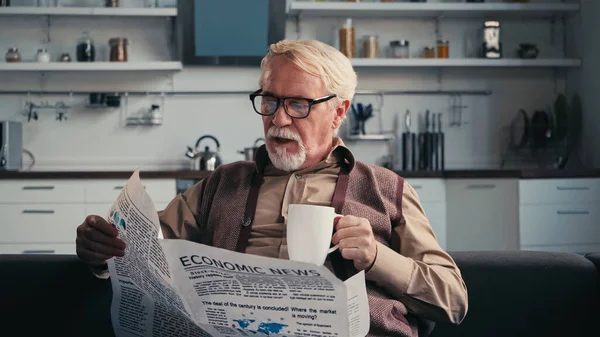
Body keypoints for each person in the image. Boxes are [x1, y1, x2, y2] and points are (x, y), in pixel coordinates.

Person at [76, 39, 468, 337]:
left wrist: (377, 258)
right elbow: (143, 251)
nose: (278, 119)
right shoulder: (222, 184)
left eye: (298, 104)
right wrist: (103, 252)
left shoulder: (385, 188)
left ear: (340, 111)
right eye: (269, 101)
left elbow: (453, 299)